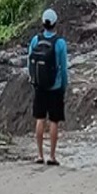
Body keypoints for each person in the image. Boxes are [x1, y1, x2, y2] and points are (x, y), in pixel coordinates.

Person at [28, 9, 68, 166]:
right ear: (55, 23)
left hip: (39, 86)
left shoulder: (35, 40)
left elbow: (29, 63)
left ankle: (39, 154)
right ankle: (52, 156)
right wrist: (64, 85)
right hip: (55, 87)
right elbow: (63, 68)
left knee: (40, 119)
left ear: (43, 23)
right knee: (53, 121)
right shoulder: (60, 43)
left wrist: (34, 81)